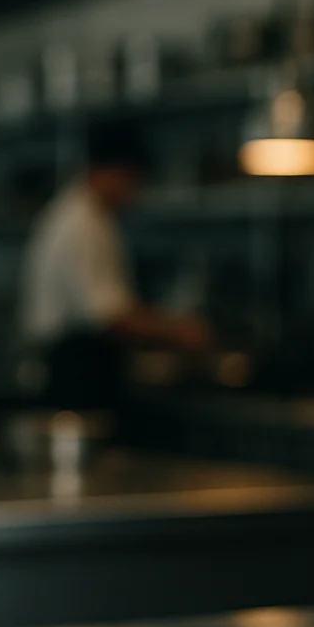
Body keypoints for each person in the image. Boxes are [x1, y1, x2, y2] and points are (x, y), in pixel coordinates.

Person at [20, 119, 210, 409]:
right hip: (76, 373)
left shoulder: (79, 213)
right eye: (133, 180)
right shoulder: (84, 223)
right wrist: (178, 331)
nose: (135, 192)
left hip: (78, 367)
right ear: (113, 172)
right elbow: (110, 317)